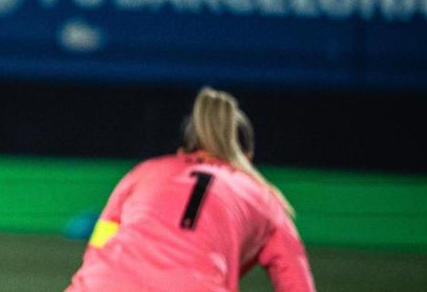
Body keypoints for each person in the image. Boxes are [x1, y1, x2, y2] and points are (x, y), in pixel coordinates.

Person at [65, 88, 316, 292]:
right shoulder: (264, 198)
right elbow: (296, 281)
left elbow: (98, 247)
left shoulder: (144, 172)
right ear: (248, 158)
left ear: (182, 152)